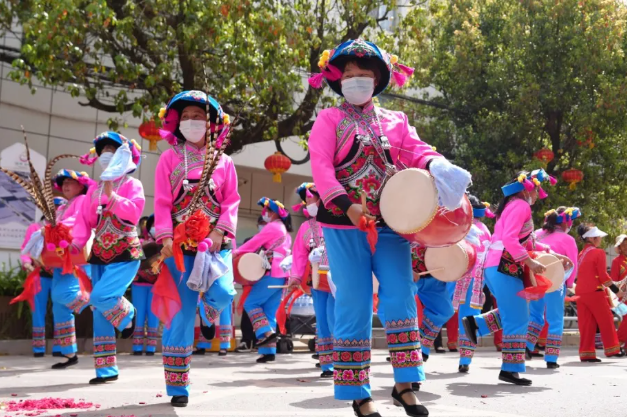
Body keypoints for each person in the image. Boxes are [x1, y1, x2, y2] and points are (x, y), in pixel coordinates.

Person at [308, 38, 472, 417]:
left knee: (400, 296)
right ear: (338, 79)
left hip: (390, 223)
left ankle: (404, 385)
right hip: (344, 222)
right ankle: (358, 393)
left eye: (363, 73)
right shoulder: (329, 119)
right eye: (349, 73)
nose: (356, 79)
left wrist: (436, 165)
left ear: (378, 78)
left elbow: (417, 150)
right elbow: (321, 168)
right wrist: (348, 206)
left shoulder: (396, 120)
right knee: (354, 300)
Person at [153, 90, 239, 407]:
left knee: (225, 292)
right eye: (186, 117)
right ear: (177, 123)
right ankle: (178, 386)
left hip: (216, 244)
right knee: (180, 315)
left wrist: (219, 231)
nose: (191, 122)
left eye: (198, 116)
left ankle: (209, 312)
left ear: (210, 123)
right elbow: (163, 202)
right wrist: (165, 237)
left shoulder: (224, 161)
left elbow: (231, 201)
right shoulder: (168, 158)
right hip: (179, 247)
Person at [462, 169, 571, 386]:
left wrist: (553, 254)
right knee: (519, 317)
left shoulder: (512, 206)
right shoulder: (520, 206)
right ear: (527, 189)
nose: (538, 193)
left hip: (498, 265)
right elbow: (510, 240)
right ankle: (510, 369)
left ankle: (477, 325)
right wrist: (530, 262)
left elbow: (528, 242)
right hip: (504, 265)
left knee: (515, 311)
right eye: (537, 189)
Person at [73, 132, 145, 385]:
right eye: (103, 150)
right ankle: (106, 370)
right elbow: (84, 221)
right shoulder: (92, 190)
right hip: (99, 252)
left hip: (125, 250)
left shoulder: (133, 184)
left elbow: (134, 213)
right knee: (99, 311)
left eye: (112, 150)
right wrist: (75, 243)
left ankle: (128, 314)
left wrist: (112, 195)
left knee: (100, 297)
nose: (106, 154)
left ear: (124, 156)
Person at [235, 197, 292, 364]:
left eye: (267, 210)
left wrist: (236, 253)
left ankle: (267, 333)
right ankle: (268, 351)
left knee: (250, 303)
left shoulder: (273, 227)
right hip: (282, 274)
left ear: (273, 213)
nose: (264, 213)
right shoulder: (284, 231)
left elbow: (254, 243)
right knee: (268, 311)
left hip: (271, 272)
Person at [525, 207, 581, 369]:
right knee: (555, 319)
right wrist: (569, 284)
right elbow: (573, 264)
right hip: (556, 282)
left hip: (535, 279)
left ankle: (526, 348)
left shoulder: (537, 234)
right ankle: (551, 357)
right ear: (566, 222)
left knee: (535, 315)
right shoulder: (568, 239)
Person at [289, 183, 335, 378]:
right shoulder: (305, 227)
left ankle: (343, 359)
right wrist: (295, 276)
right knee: (322, 320)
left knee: (334, 318)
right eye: (306, 200)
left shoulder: (336, 219)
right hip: (317, 279)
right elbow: (299, 253)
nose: (308, 202)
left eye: (311, 198)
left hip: (338, 277)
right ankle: (327, 365)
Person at [19, 197, 71, 359]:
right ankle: (38, 348)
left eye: (58, 207)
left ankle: (59, 347)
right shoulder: (35, 228)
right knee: (38, 310)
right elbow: (26, 249)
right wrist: (27, 263)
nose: (55, 210)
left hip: (60, 274)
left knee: (60, 309)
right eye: (51, 207)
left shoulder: (65, 229)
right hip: (39, 274)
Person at [454, 195, 493, 373]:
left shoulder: (459, 225)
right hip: (477, 279)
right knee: (470, 317)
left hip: (457, 275)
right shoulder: (485, 230)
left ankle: (422, 349)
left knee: (442, 311)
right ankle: (465, 359)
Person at [575, 224, 625, 361]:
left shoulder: (581, 254)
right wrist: (617, 291)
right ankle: (612, 349)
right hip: (594, 292)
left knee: (587, 323)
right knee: (606, 320)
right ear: (592, 238)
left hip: (580, 292)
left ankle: (586, 353)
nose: (600, 240)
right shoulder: (598, 252)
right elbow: (603, 276)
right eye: (599, 237)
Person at [234, 216, 266, 353]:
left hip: (266, 281)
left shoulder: (273, 243)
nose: (264, 226)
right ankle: (246, 341)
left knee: (264, 312)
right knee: (248, 311)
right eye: (261, 223)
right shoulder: (250, 241)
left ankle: (261, 340)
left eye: (266, 223)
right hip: (250, 282)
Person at [131, 214, 161, 356]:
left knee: (154, 314)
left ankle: (151, 348)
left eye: (157, 225)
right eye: (151, 225)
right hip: (139, 283)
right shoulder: (138, 242)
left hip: (156, 284)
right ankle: (137, 347)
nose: (154, 228)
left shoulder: (164, 245)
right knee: (139, 314)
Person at [611, 234, 627, 348]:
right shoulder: (616, 261)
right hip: (622, 295)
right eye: (623, 245)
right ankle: (618, 342)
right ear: (619, 247)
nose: (626, 247)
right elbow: (613, 281)